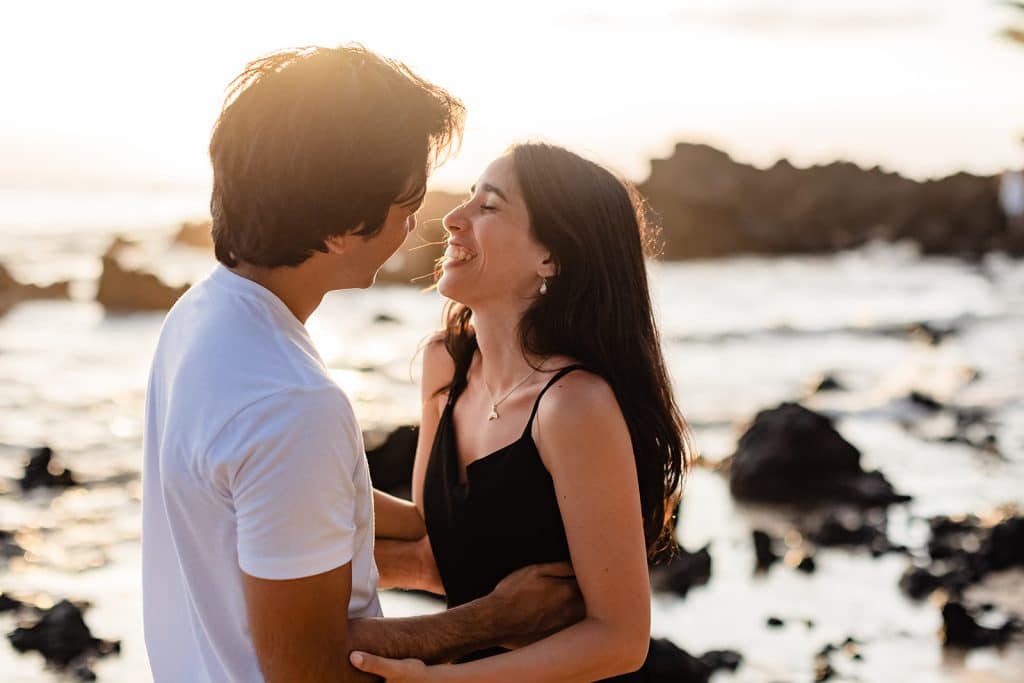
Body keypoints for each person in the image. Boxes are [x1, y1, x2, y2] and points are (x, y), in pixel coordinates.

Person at [142, 46, 582, 683]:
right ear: (343, 224)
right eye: (409, 199)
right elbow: (311, 670)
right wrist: (498, 619)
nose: (421, 218)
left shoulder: (200, 317)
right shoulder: (293, 406)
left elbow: (249, 505)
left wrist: (430, 546)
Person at [352, 143, 694, 681]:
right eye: (469, 199)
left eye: (488, 207)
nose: (453, 219)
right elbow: (432, 528)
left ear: (551, 257)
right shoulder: (447, 365)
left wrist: (439, 679)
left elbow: (621, 638)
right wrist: (307, 479)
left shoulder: (573, 406)